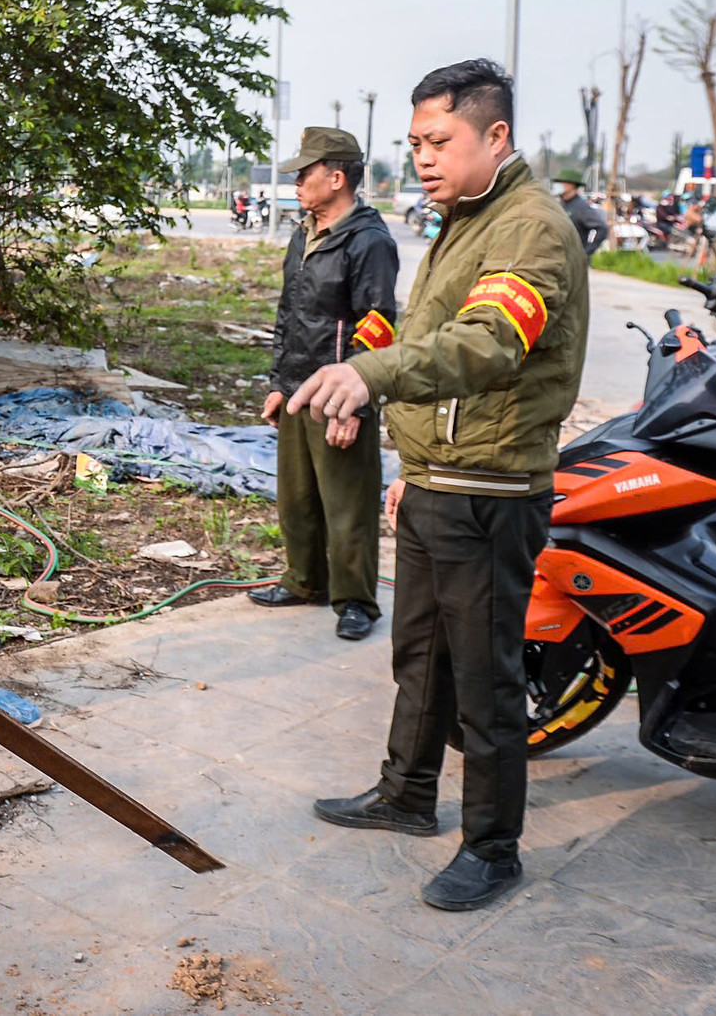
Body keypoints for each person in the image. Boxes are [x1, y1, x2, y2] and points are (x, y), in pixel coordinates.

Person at [287, 58, 588, 913]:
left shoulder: (528, 228)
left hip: (490, 490)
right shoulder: (465, 218)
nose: (422, 157)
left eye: (439, 140)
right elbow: (421, 329)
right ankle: (406, 794)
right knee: (419, 654)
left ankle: (493, 847)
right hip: (436, 481)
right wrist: (383, 425)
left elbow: (488, 344)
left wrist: (371, 378)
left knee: (485, 677)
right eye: (415, 141)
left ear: (496, 136)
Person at [248, 126, 398, 641]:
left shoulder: (369, 241)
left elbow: (377, 324)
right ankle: (304, 579)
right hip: (298, 389)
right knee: (297, 497)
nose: (295, 183)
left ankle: (356, 600)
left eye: (303, 174)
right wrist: (278, 383)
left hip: (340, 393)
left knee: (347, 502)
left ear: (336, 178)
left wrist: (353, 406)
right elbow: (288, 315)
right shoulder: (304, 233)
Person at [553, 167, 606, 256]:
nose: (558, 185)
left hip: (575, 261)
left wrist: (586, 252)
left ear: (571, 185)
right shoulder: (560, 205)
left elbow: (602, 228)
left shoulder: (581, 207)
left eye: (561, 182)